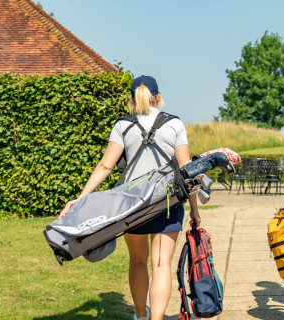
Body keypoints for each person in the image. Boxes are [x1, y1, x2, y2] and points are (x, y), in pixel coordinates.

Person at [59, 75, 201, 320]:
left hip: (132, 205)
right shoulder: (174, 124)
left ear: (132, 99)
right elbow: (187, 169)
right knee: (160, 265)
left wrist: (81, 199)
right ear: (158, 97)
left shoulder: (123, 125)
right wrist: (195, 211)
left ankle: (140, 315)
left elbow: (105, 166)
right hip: (167, 202)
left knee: (137, 262)